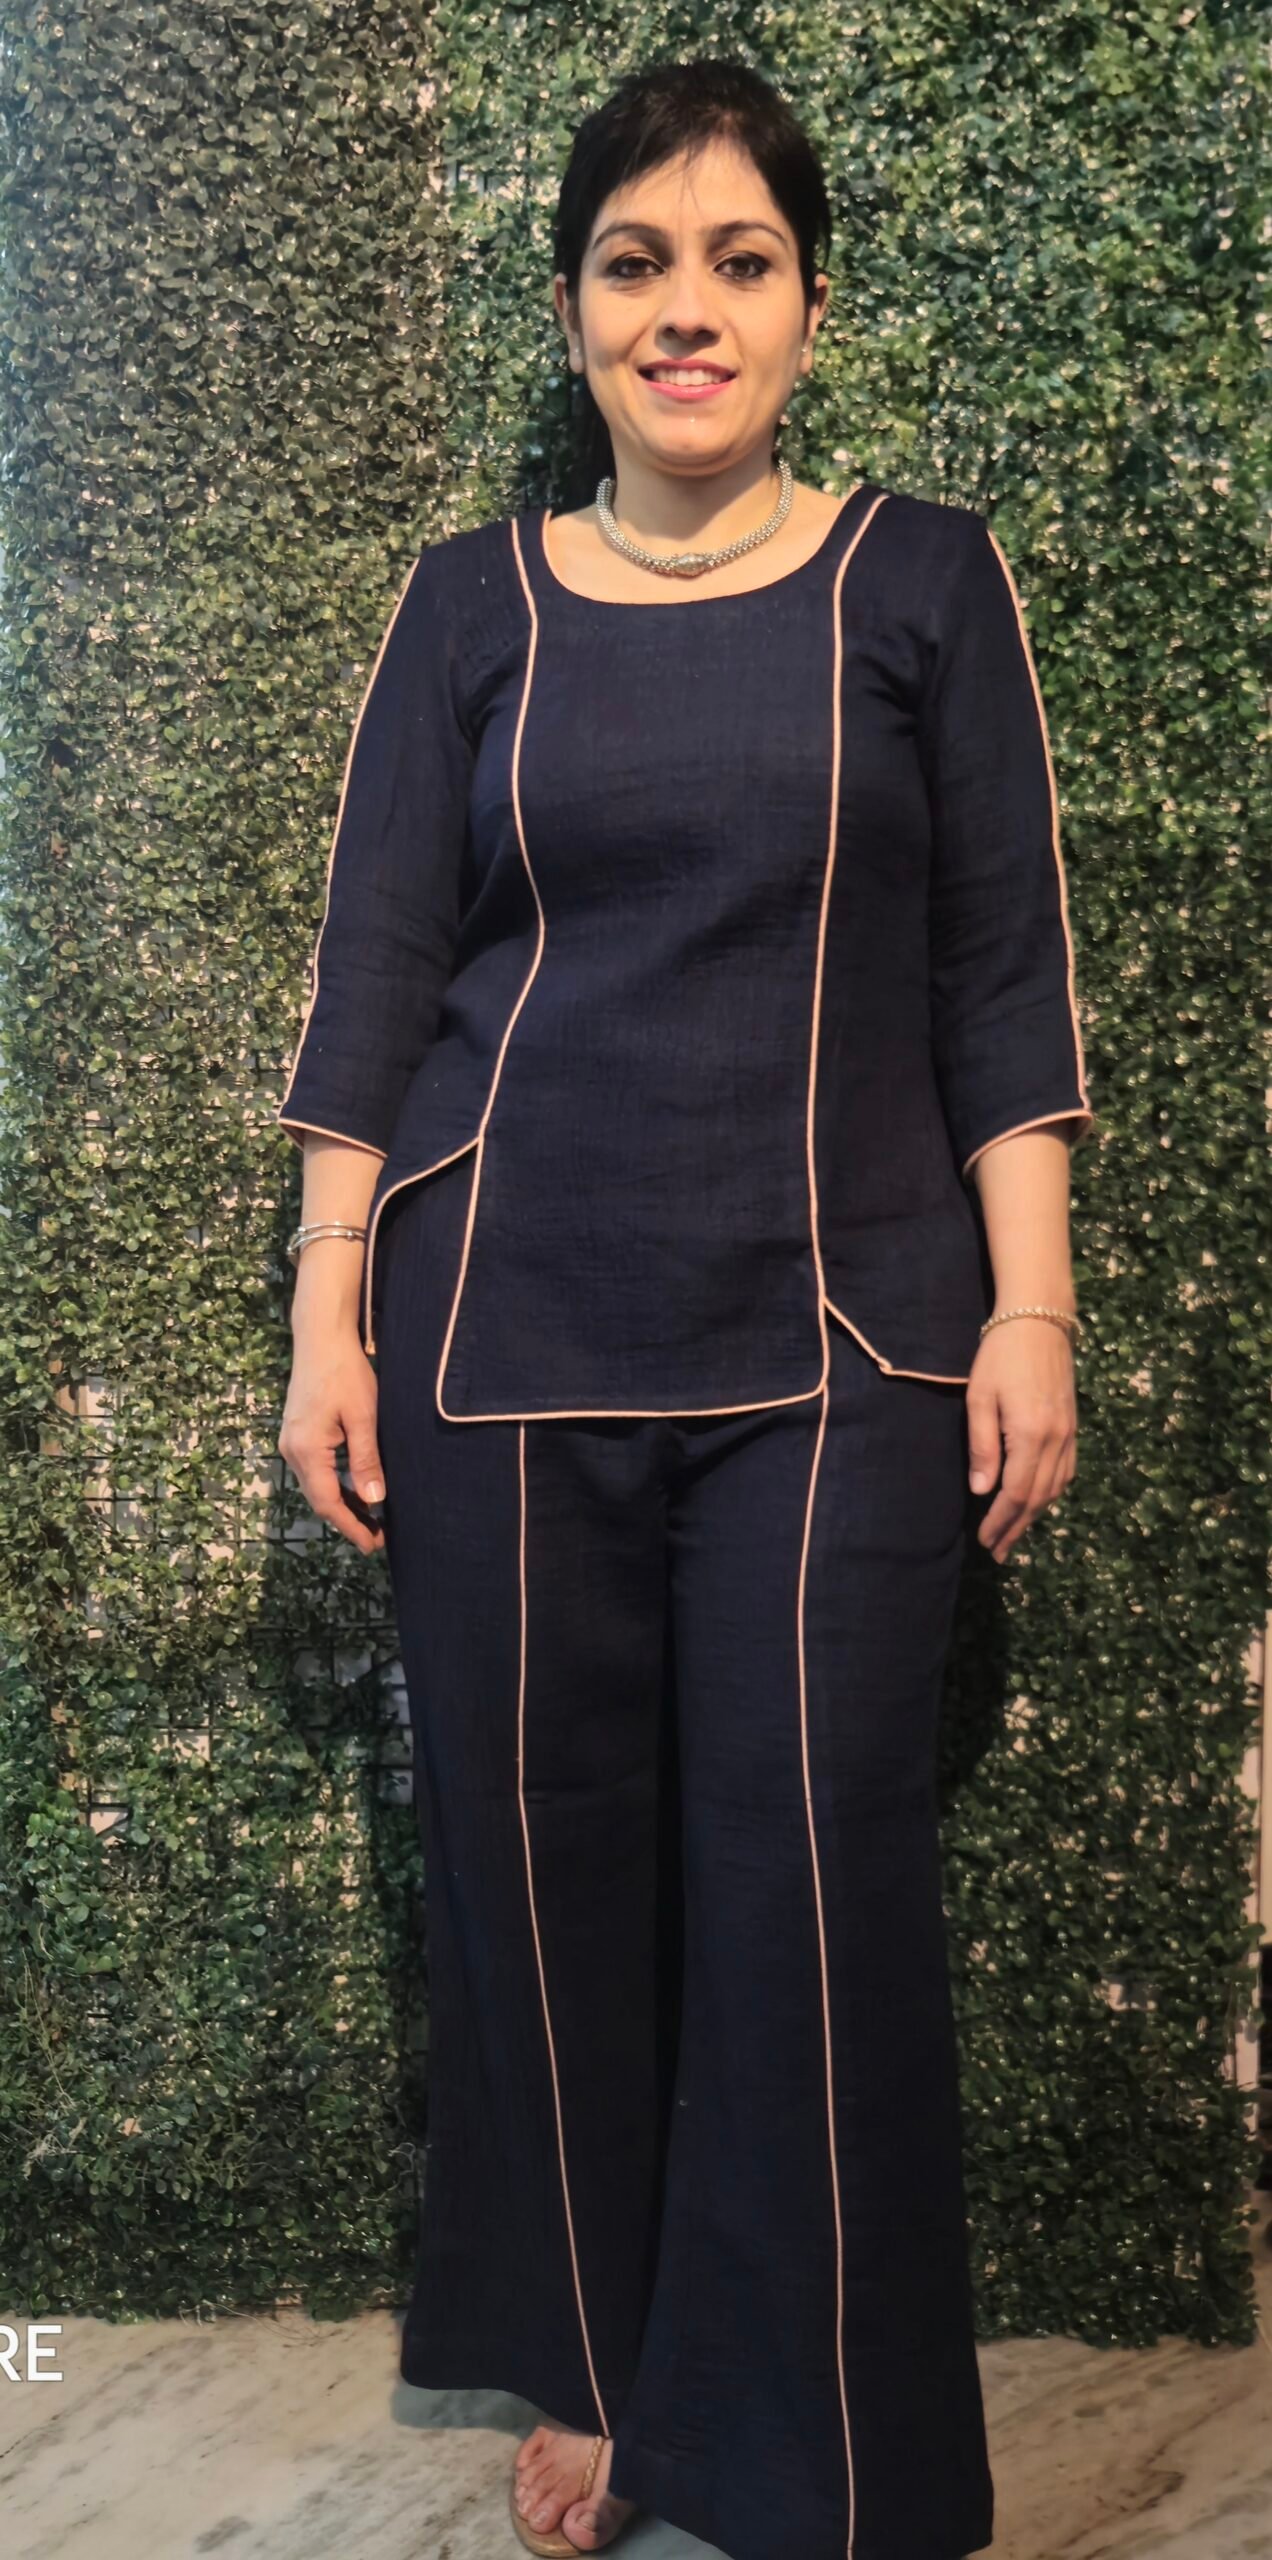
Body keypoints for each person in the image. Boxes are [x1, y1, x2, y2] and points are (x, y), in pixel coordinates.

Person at [276, 54, 1096, 2560]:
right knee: (546, 1876)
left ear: (810, 307)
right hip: (498, 1340)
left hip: (847, 1348)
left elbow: (1000, 977)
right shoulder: (472, 605)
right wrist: (326, 1307)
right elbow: (378, 969)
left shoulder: (921, 586)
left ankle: (831, 2451)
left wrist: (1035, 1309)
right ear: (575, 313)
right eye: (636, 262)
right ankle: (613, 2374)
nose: (687, 307)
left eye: (740, 260)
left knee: (808, 1874)